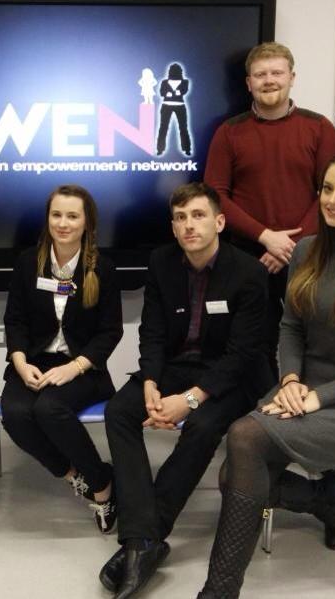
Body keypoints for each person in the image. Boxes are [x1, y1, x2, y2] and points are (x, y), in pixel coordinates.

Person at [196, 150, 335, 598]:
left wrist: (318, 398)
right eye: (327, 189)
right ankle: (322, 500)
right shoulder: (305, 252)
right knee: (232, 476)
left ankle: (218, 593)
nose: (332, 200)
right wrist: (292, 380)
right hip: (300, 390)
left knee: (244, 438)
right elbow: (291, 327)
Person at [101, 183, 271, 599]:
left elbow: (243, 354)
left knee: (202, 426)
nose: (188, 225)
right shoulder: (161, 262)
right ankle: (143, 540)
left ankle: (144, 537)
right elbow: (153, 332)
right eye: (180, 218)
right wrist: (151, 382)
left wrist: (190, 400)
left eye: (198, 215)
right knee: (119, 411)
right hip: (175, 368)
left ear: (220, 222)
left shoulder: (248, 272)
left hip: (231, 376)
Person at [204, 42, 335, 376]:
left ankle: (305, 407)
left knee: (314, 343)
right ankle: (262, 407)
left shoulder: (320, 127)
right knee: (253, 347)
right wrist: (266, 237)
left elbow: (332, 193)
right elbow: (214, 195)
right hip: (248, 257)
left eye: (277, 73)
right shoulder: (229, 132)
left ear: (291, 77)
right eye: (260, 74)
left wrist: (289, 245)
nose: (269, 80)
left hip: (308, 255)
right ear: (248, 82)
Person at [1, 185, 123, 532]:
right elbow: (15, 321)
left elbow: (110, 332)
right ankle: (77, 476)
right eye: (56, 214)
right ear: (47, 219)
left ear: (87, 223)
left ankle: (102, 489)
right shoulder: (28, 263)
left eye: (72, 216)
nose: (63, 223)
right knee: (15, 413)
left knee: (48, 408)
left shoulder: (103, 268)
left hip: (85, 368)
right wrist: (20, 363)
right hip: (34, 363)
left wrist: (75, 367)